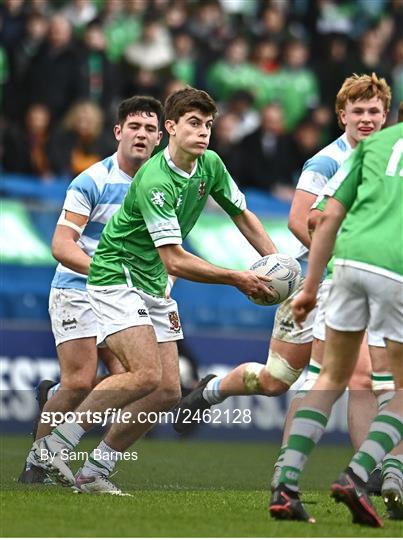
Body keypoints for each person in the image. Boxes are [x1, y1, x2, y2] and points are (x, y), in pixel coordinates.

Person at [29, 87, 278, 491]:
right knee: (140, 374)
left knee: (166, 389)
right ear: (172, 128)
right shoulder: (154, 181)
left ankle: (95, 471)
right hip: (115, 274)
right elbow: (175, 259)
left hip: (150, 281)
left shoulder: (210, 165)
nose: (203, 133)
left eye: (209, 125)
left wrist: (275, 265)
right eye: (194, 124)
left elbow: (243, 215)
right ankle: (55, 446)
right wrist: (238, 277)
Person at [173, 74, 391, 459]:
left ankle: (211, 392)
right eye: (358, 111)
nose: (367, 119)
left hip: (356, 282)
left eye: (374, 111)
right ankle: (216, 396)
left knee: (326, 379)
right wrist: (343, 260)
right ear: (342, 116)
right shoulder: (327, 161)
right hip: (319, 281)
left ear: (386, 114)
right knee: (291, 379)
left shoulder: (387, 164)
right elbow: (298, 219)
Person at [19, 95, 164, 485]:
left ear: (160, 139)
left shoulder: (162, 187)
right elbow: (62, 246)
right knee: (80, 381)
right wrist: (110, 272)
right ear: (118, 132)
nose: (141, 134)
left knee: (140, 384)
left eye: (150, 128)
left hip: (124, 294)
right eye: (134, 126)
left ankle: (64, 418)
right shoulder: (92, 181)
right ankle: (36, 466)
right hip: (78, 288)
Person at [270, 121, 403, 527]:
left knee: (329, 377)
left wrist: (310, 287)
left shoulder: (373, 145)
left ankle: (285, 486)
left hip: (347, 264)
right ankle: (359, 476)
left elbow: (324, 218)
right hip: (396, 270)